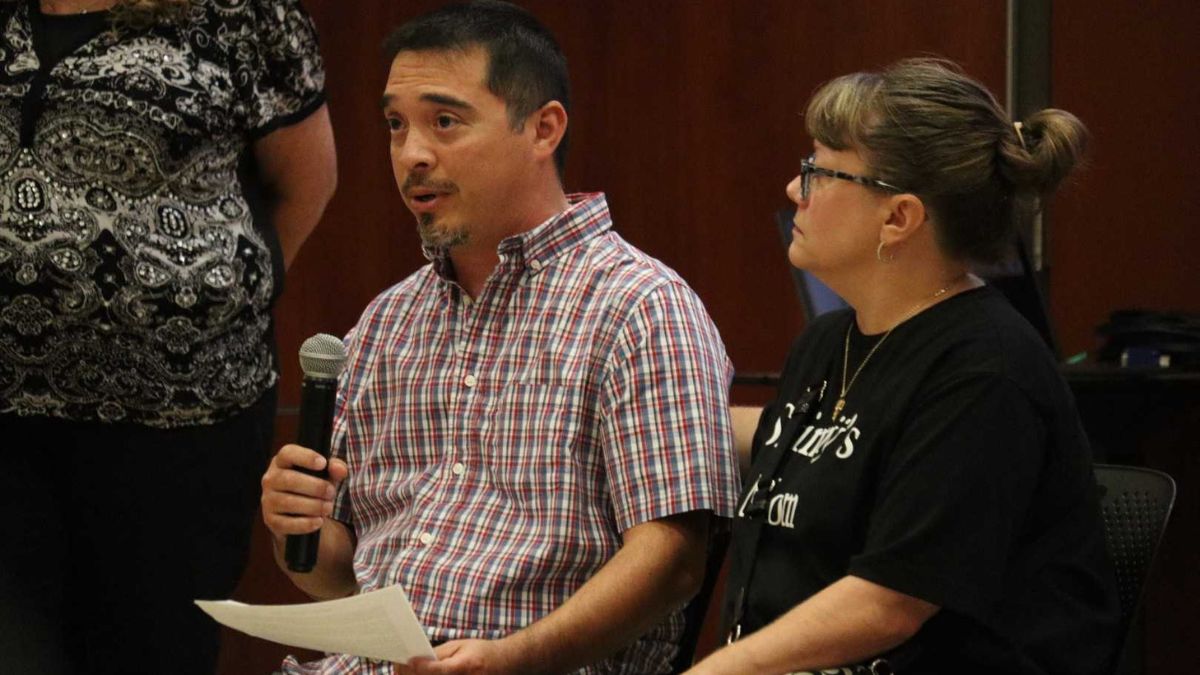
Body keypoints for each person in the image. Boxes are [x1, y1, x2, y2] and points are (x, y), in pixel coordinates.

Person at [260, 2, 739, 674]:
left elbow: (674, 558)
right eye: (396, 125)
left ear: (543, 129)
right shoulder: (386, 322)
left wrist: (515, 658)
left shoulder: (640, 306)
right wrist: (298, 530)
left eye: (445, 122)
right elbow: (344, 579)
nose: (412, 154)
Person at [686, 58, 1120, 675]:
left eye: (818, 170)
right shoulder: (830, 341)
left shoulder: (985, 371)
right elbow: (822, 444)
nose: (794, 189)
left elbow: (891, 602)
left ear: (899, 217)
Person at [0, 0, 336, 673]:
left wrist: (199, 301)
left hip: (180, 426)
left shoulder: (245, 15)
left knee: (150, 655)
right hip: (7, 416)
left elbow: (308, 181)